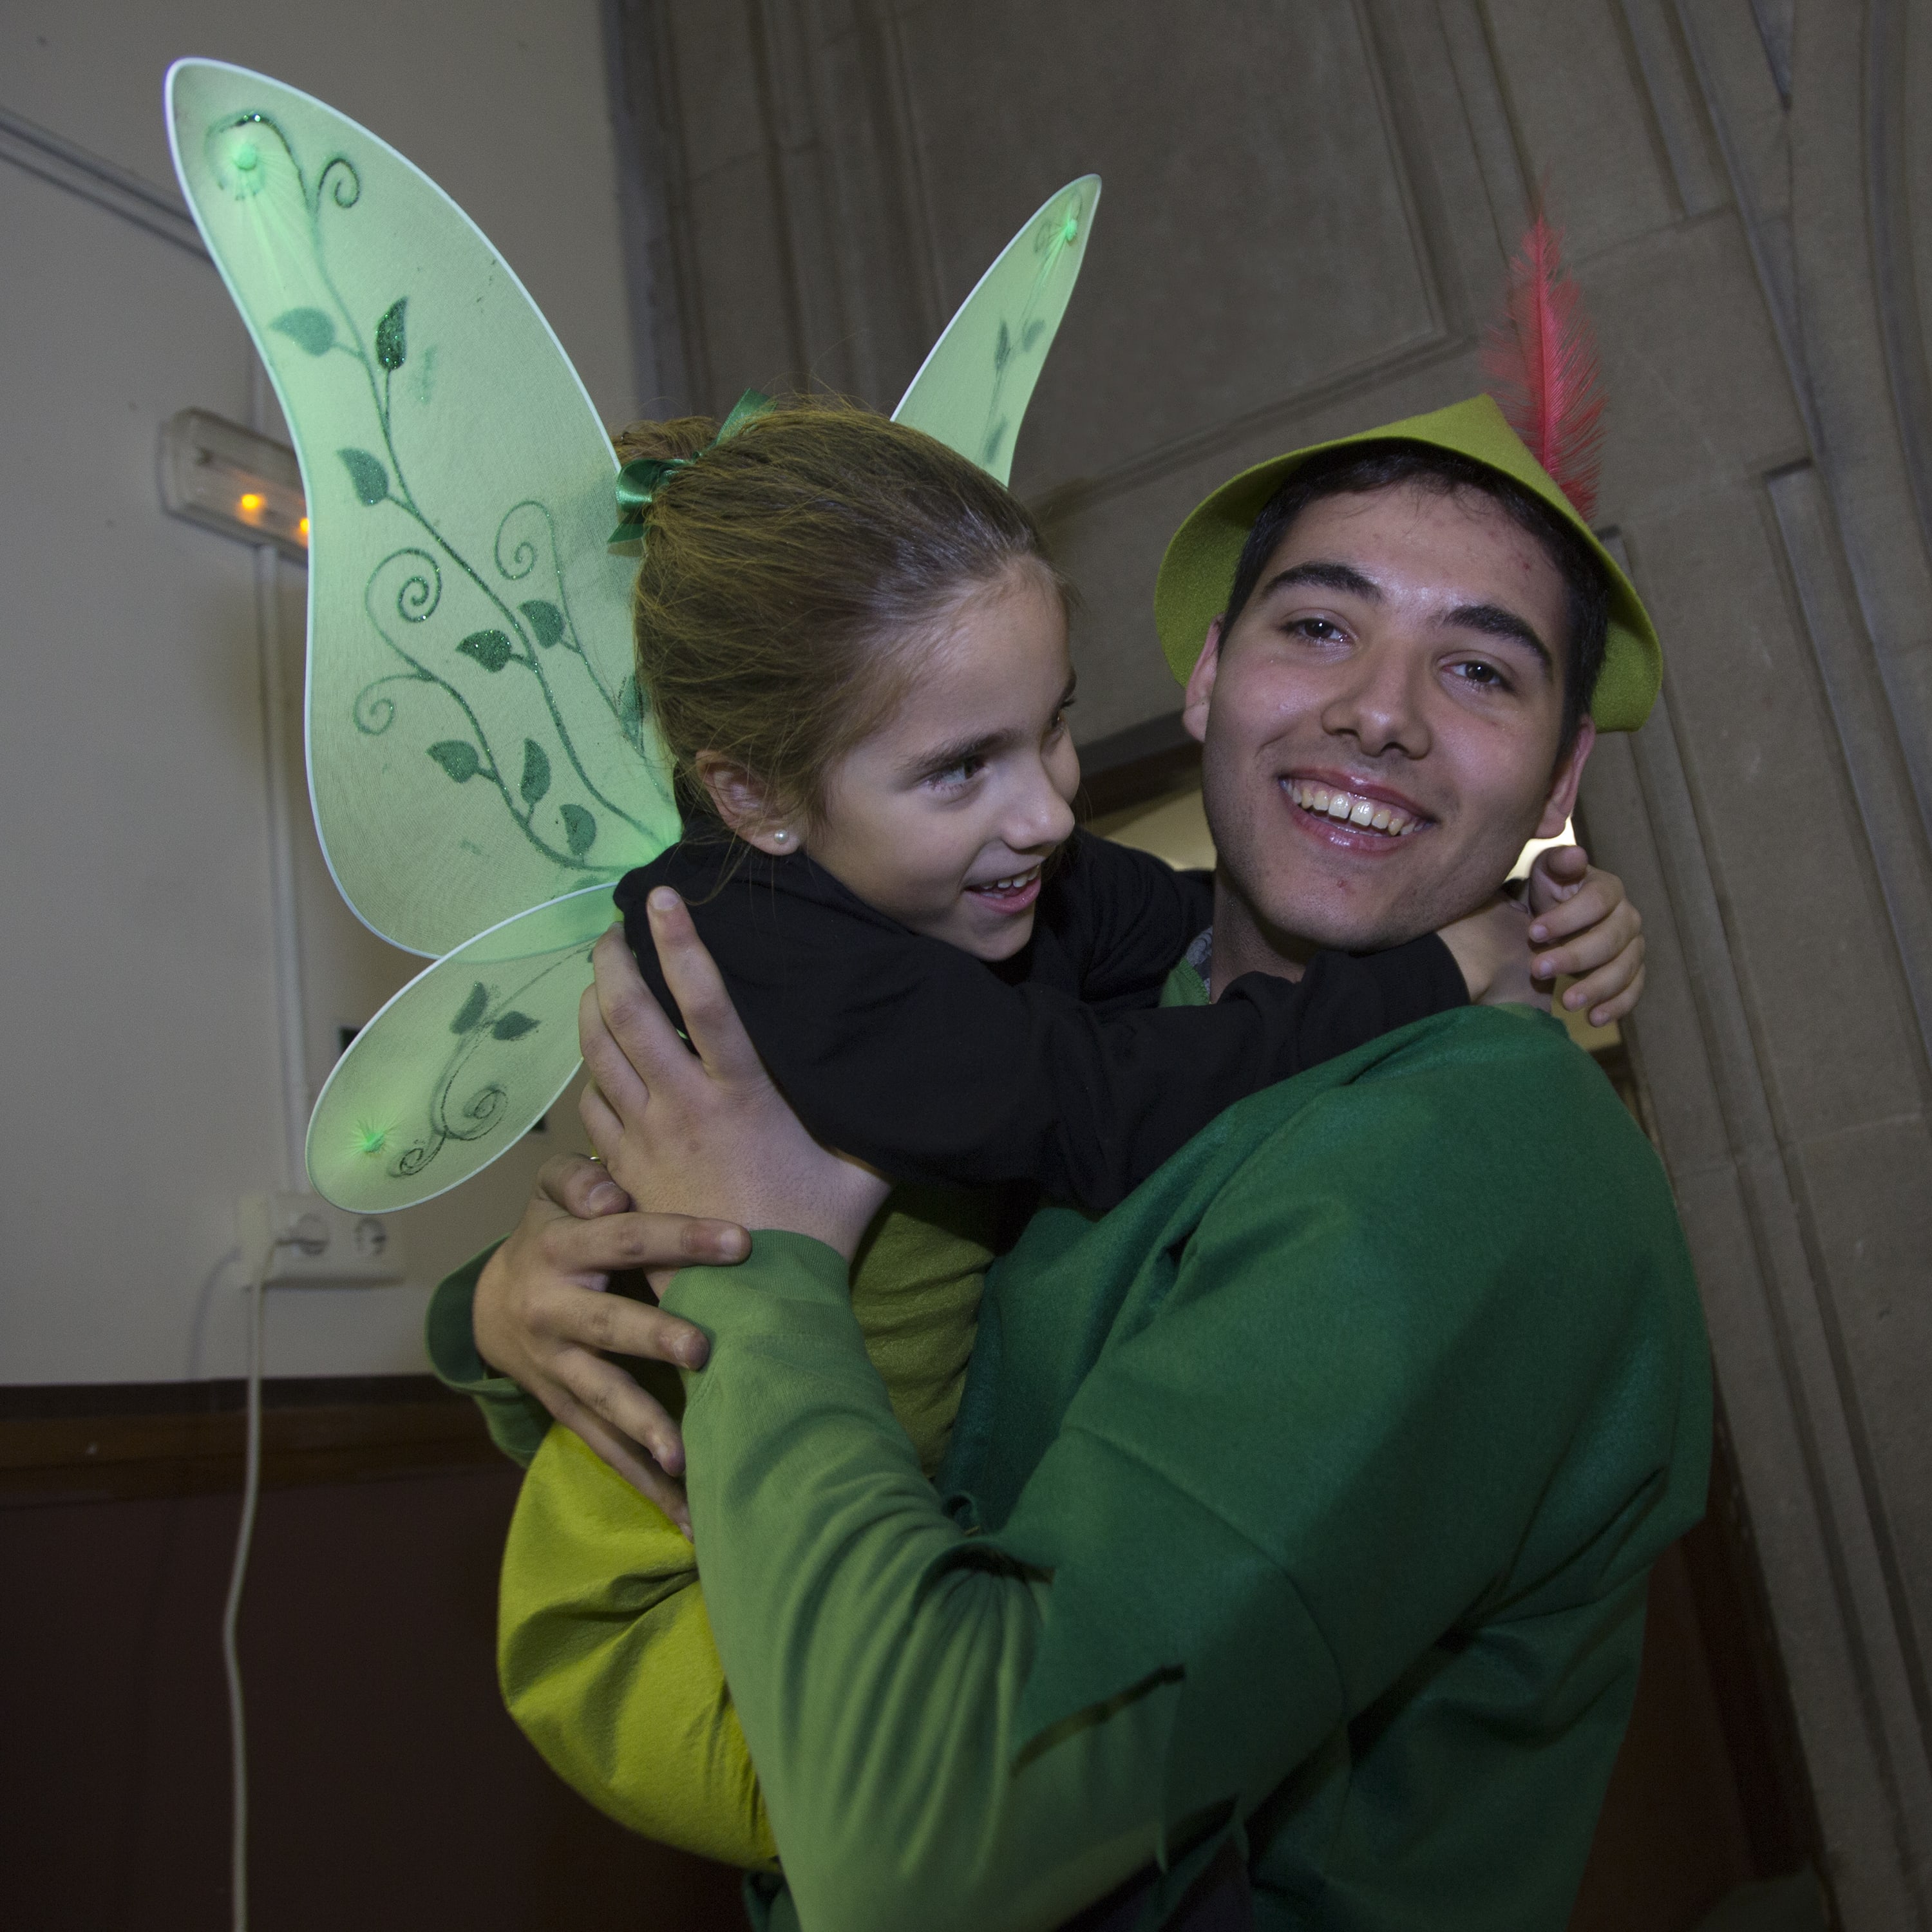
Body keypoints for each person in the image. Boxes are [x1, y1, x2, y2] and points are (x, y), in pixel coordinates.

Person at [455, 393, 1708, 1929]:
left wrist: (763, 1269)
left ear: (1560, 780)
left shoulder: (1472, 1151)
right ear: (1208, 675)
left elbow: (931, 1839)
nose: (1380, 712)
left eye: (1478, 669)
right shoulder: (1125, 999)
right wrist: (515, 1304)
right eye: (1321, 627)